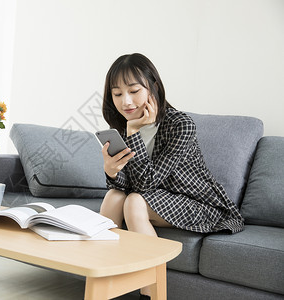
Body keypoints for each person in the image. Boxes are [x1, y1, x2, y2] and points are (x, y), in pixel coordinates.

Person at [99, 53, 244, 299]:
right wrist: (112, 172)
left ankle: (152, 294)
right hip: (155, 198)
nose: (126, 101)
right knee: (114, 196)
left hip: (198, 203)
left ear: (153, 87)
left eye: (134, 91)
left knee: (134, 201)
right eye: (117, 94)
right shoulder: (123, 126)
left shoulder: (181, 125)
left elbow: (145, 184)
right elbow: (130, 183)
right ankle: (102, 282)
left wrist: (135, 133)